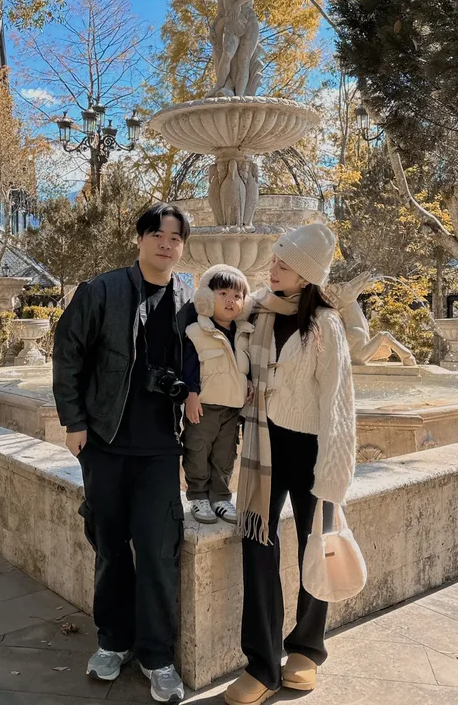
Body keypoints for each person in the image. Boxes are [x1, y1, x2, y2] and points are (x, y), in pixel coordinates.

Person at [53, 203, 194, 704]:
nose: (166, 244)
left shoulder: (189, 297)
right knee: (110, 549)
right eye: (157, 234)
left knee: (158, 553)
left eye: (175, 238)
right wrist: (74, 421)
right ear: (140, 239)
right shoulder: (103, 290)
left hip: (161, 450)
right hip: (106, 444)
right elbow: (68, 351)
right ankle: (113, 642)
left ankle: (157, 657)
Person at [225, 223, 357, 705]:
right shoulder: (257, 310)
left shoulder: (325, 324)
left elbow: (338, 401)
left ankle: (305, 648)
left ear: (307, 275)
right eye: (275, 259)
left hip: (311, 450)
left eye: (284, 263)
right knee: (257, 544)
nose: (273, 267)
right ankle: (262, 663)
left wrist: (334, 474)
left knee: (314, 545)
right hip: (263, 446)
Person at [182, 264, 254, 525]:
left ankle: (221, 497)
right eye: (223, 293)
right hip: (204, 407)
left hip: (232, 409)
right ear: (207, 298)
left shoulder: (244, 334)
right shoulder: (196, 331)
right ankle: (198, 496)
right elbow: (189, 367)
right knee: (198, 451)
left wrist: (249, 382)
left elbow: (245, 367)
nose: (230, 300)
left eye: (237, 296)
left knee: (225, 455)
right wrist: (191, 395)